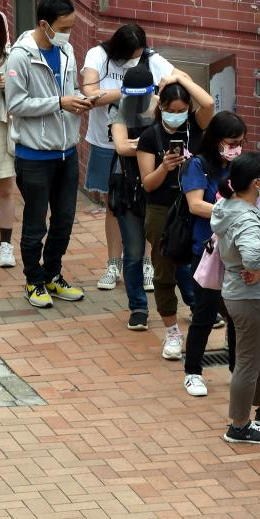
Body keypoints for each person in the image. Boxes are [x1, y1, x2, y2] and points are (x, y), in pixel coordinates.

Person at [5, 0, 94, 308]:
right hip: (34, 156)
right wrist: (59, 103)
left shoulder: (66, 50)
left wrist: (79, 100)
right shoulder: (21, 57)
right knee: (35, 224)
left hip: (67, 153)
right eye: (64, 28)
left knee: (64, 220)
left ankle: (52, 274)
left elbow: (68, 91)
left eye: (71, 27)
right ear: (44, 24)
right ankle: (33, 280)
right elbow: (16, 105)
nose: (68, 34)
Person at [81, 23, 174, 293]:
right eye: (131, 54)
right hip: (105, 142)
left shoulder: (151, 59)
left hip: (143, 148)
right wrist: (128, 92)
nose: (137, 58)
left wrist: (162, 87)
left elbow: (178, 78)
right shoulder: (98, 55)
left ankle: (147, 263)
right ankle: (113, 264)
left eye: (139, 53)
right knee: (114, 205)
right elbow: (90, 94)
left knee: (147, 204)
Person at [211, 151, 260, 443]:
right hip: (252, 298)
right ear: (257, 183)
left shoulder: (229, 205)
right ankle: (240, 425)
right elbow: (253, 256)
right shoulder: (246, 218)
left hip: (244, 295)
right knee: (248, 361)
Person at [136, 73, 214, 359]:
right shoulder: (151, 136)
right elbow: (148, 184)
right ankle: (171, 332)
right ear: (162, 108)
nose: (177, 116)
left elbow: (208, 104)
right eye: (172, 110)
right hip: (162, 210)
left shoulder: (196, 126)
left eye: (183, 110)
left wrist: (179, 78)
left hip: (196, 205)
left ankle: (203, 314)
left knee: (203, 264)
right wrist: (165, 167)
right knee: (164, 270)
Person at [180, 110, 248, 397]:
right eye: (231, 142)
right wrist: (232, 211)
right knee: (205, 312)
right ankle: (193, 372)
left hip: (236, 250)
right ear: (217, 139)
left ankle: (236, 368)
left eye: (240, 142)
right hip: (206, 250)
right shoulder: (198, 165)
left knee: (236, 313)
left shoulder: (239, 167)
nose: (236, 148)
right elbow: (195, 205)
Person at [109, 62, 164, 330]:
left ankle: (191, 302)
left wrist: (137, 146)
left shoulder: (162, 106)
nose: (137, 101)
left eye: (142, 95)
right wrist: (151, 147)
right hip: (127, 187)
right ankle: (138, 308)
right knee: (133, 252)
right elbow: (121, 147)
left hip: (159, 186)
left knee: (170, 248)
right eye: (131, 96)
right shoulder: (118, 108)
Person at [0, 11, 17, 269]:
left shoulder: (10, 59)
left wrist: (6, 87)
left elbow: (22, 96)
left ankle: (6, 246)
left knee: (5, 188)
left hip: (0, 125)